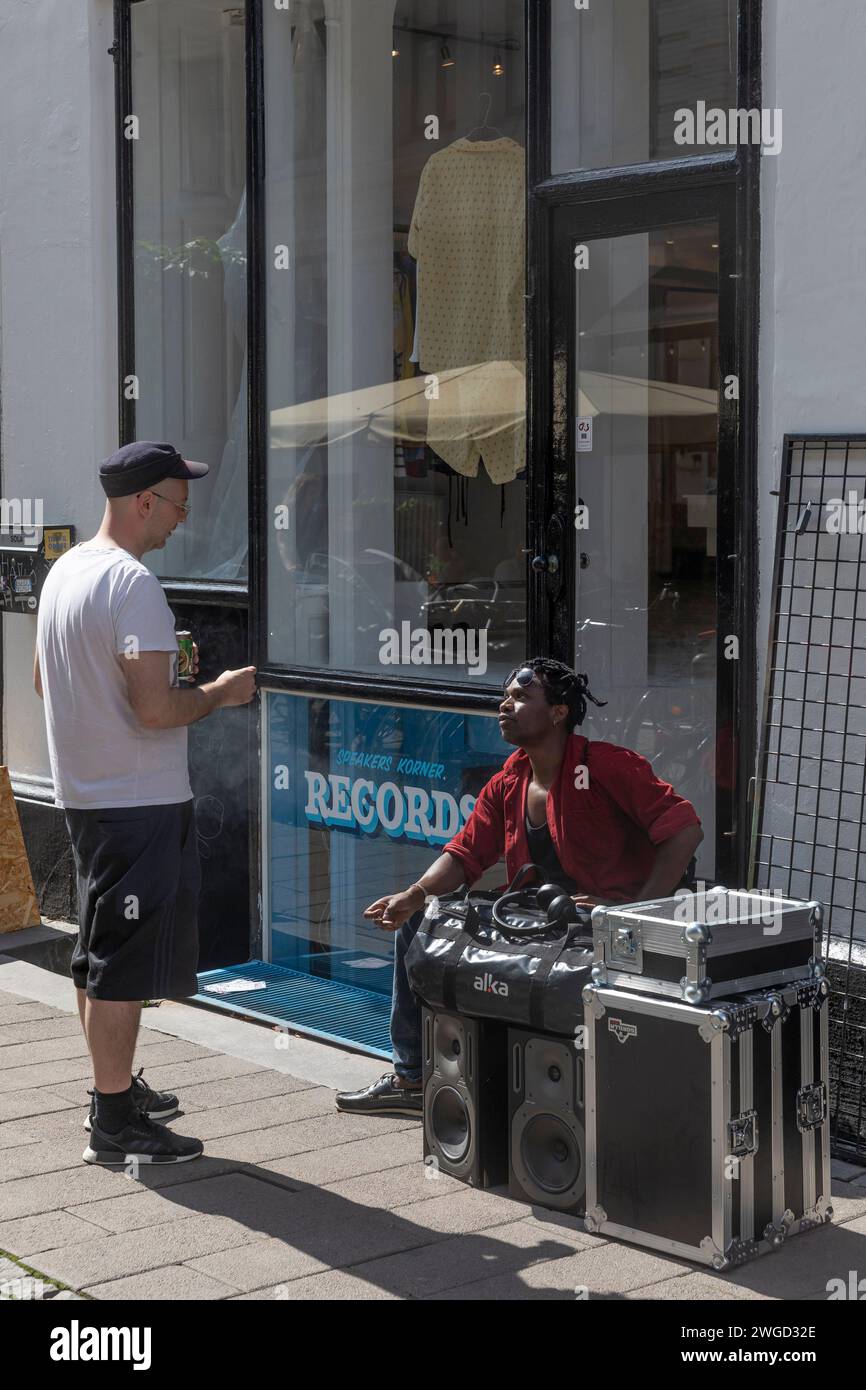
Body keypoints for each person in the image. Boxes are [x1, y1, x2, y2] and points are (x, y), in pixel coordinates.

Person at [336, 658, 704, 1117]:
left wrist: (635, 911)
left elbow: (683, 829)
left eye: (520, 697)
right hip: (538, 923)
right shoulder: (509, 780)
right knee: (419, 923)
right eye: (505, 696)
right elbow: (466, 853)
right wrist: (413, 895)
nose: (504, 706)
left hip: (603, 927)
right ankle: (412, 1076)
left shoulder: (606, 766)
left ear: (558, 712)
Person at [34, 442, 257, 1166]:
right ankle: (114, 1120)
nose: (183, 518)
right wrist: (222, 691)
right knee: (123, 967)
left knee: (97, 958)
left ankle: (116, 1089)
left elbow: (44, 681)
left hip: (86, 797)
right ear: (143, 503)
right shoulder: (133, 585)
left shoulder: (66, 571)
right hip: (137, 803)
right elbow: (157, 711)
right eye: (178, 502)